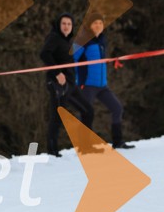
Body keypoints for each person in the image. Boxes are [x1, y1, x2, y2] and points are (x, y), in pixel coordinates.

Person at [73, 14, 134, 149]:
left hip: (101, 85)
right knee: (87, 113)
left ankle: (118, 141)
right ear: (89, 25)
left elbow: (99, 61)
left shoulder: (101, 40)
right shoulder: (82, 40)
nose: (98, 26)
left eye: (100, 23)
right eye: (95, 23)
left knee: (117, 108)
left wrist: (113, 62)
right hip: (87, 85)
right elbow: (71, 59)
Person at [39, 13, 94, 156]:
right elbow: (44, 54)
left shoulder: (67, 41)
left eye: (69, 24)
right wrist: (57, 73)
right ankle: (52, 151)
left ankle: (84, 146)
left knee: (88, 110)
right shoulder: (54, 37)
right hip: (57, 83)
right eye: (64, 23)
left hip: (70, 84)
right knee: (58, 116)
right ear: (59, 25)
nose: (66, 26)